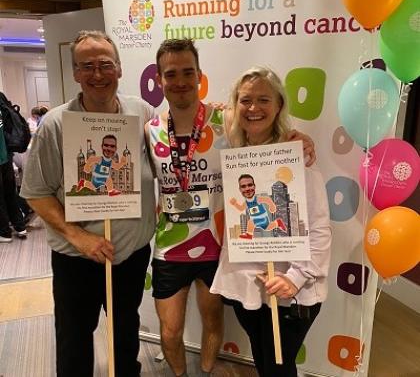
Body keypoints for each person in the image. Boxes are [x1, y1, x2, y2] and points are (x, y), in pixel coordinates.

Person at [145, 39, 316, 377]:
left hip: (218, 245)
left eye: (187, 72)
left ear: (199, 76)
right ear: (160, 79)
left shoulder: (226, 119)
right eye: (171, 74)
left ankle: (207, 371)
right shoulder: (149, 129)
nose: (180, 81)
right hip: (169, 245)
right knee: (169, 330)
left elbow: (263, 126)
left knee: (213, 322)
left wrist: (298, 137)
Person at [20, 30, 156, 377]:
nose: (97, 74)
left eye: (105, 65)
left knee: (126, 333)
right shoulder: (54, 125)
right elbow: (36, 191)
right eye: (87, 66)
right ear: (76, 74)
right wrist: (77, 236)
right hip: (76, 256)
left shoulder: (142, 112)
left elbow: (176, 151)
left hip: (130, 253)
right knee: (75, 339)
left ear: (120, 69)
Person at [210, 66, 332, 377]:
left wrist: (295, 277)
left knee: (278, 368)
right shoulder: (237, 151)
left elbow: (318, 230)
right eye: (245, 100)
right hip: (250, 288)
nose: (253, 108)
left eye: (263, 99)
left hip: (292, 291)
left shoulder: (296, 157)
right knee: (266, 364)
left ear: (278, 105)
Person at [230, 173, 287, 239]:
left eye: (250, 185)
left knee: (251, 222)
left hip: (262, 218)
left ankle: (249, 235)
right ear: (240, 189)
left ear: (254, 186)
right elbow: (241, 208)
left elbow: (267, 199)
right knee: (268, 228)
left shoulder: (257, 199)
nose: (247, 189)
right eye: (243, 186)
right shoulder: (246, 203)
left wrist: (272, 206)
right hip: (256, 219)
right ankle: (277, 223)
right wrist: (235, 204)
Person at [0, 110, 27, 242]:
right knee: (10, 192)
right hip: (6, 156)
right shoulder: (1, 101)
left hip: (3, 156)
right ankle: (20, 226)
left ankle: (4, 232)